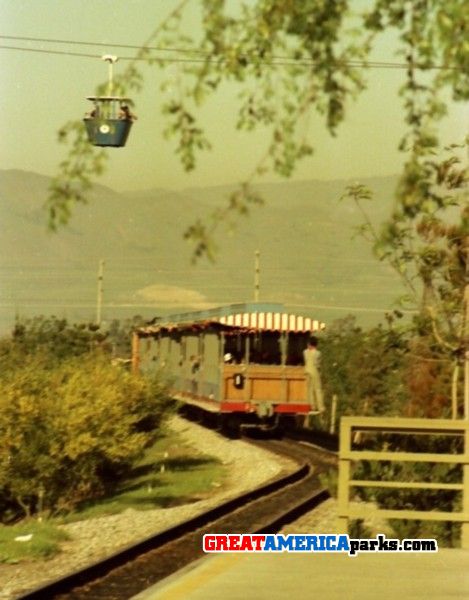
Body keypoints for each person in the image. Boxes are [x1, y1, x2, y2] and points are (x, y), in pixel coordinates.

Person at [303, 336, 325, 413]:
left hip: (307, 371)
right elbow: (318, 364)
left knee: (310, 390)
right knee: (318, 389)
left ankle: (312, 406)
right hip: (314, 370)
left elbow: (306, 360)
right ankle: (320, 407)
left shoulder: (305, 352)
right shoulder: (318, 353)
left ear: (309, 344)